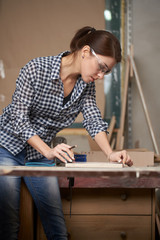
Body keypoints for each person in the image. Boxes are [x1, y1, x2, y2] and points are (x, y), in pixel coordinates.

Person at [0, 26, 133, 240]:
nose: (100, 76)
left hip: (39, 155)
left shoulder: (85, 84)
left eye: (106, 72)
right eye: (100, 67)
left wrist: (110, 153)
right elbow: (19, 120)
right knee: (8, 226)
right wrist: (49, 151)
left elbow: (92, 119)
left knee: (57, 228)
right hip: (7, 147)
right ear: (86, 51)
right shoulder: (35, 69)